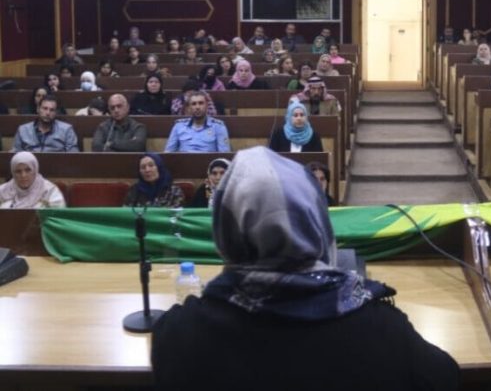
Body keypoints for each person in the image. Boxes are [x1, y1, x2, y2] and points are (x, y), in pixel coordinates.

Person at [151, 146, 458, 389]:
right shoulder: (382, 328)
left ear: (225, 228)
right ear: (317, 221)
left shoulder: (179, 333)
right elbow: (447, 377)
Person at [165, 91, 231, 152]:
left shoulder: (218, 126)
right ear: (189, 108)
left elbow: (224, 155)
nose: (197, 107)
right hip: (184, 161)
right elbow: (168, 153)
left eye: (201, 103)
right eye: (194, 104)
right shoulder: (178, 126)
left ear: (207, 106)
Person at [0, 151, 66, 209]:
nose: (23, 175)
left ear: (35, 170)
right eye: (18, 171)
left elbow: (58, 215)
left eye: (28, 170)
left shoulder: (50, 191)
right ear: (13, 173)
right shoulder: (3, 191)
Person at [13, 95, 79, 153]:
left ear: (56, 112)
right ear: (38, 109)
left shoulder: (67, 130)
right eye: (45, 108)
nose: (48, 113)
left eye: (52, 110)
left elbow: (73, 156)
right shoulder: (23, 130)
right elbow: (15, 155)